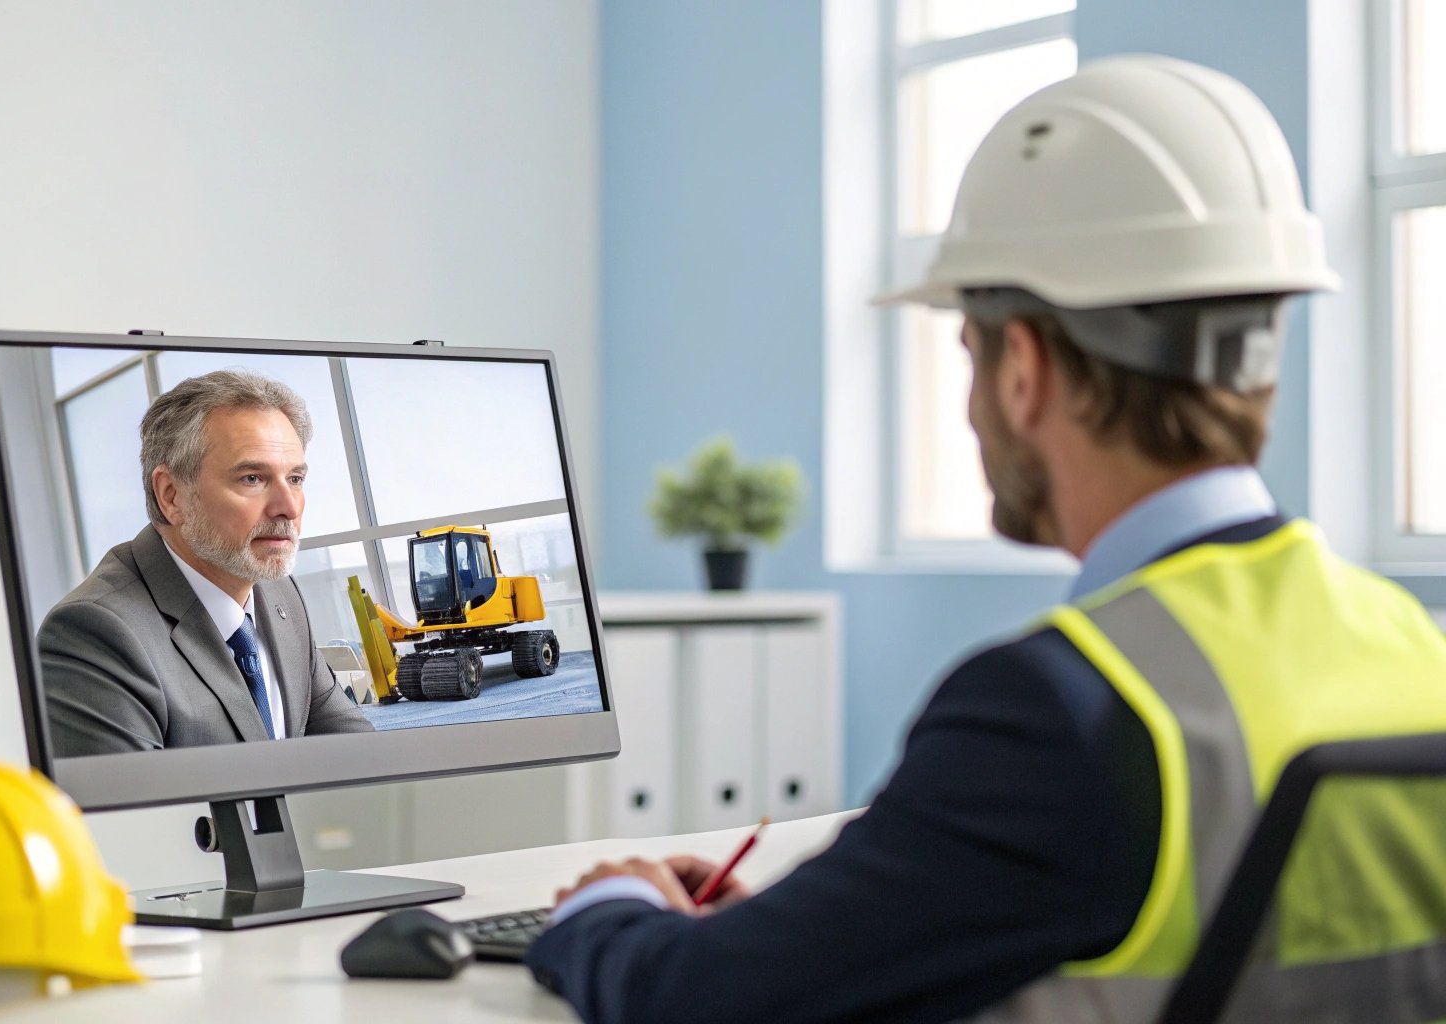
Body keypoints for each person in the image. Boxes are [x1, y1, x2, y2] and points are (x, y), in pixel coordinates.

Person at [525, 56, 1446, 1022]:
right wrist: (828, 937)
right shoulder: (1408, 646)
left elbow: (692, 1005)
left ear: (1026, 367)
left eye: (968, 352)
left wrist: (606, 908)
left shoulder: (1060, 713)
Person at [39, 369, 374, 756]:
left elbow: (356, 755)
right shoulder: (96, 632)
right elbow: (134, 816)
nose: (289, 507)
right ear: (171, 496)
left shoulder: (278, 591)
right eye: (252, 478)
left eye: (295, 478)